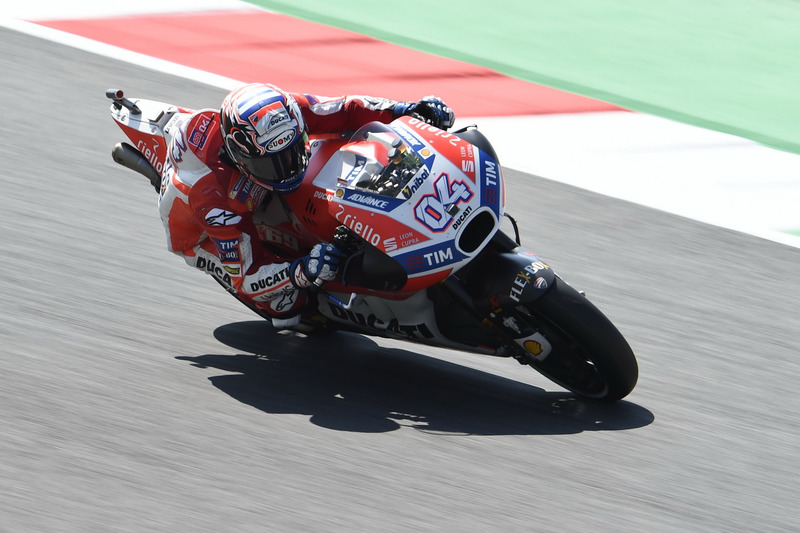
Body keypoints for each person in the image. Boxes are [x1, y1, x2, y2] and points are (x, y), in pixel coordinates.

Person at [158, 82, 454, 327]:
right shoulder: (213, 197)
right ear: (240, 158)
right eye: (273, 164)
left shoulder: (284, 112)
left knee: (343, 147)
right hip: (203, 234)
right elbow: (247, 277)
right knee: (288, 306)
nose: (288, 168)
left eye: (292, 152)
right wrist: (301, 272)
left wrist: (407, 110)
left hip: (257, 191)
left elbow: (345, 110)